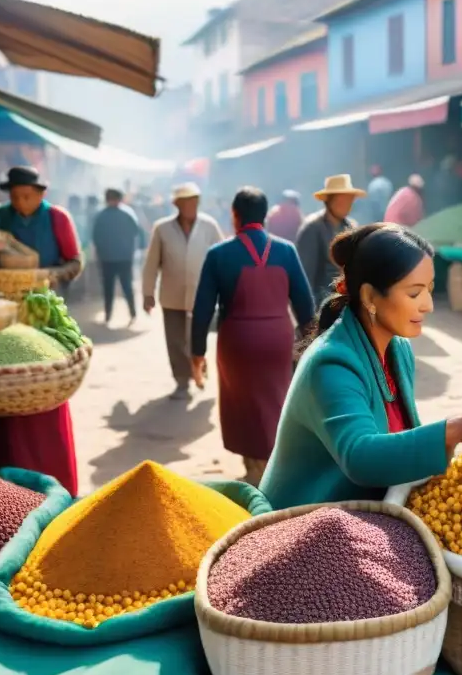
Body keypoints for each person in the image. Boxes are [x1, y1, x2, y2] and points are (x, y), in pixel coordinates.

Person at [259, 223, 462, 510]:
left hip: (365, 510)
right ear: (370, 297)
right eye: (414, 293)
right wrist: (456, 429)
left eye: (430, 290)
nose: (428, 305)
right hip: (304, 521)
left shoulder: (398, 348)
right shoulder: (331, 362)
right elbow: (360, 457)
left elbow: (398, 440)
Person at [191, 187, 316, 485]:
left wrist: (197, 354)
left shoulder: (219, 254)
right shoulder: (286, 251)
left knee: (243, 404)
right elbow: (305, 307)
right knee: (276, 400)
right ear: (265, 215)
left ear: (235, 216)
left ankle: (256, 469)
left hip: (238, 342)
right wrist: (308, 346)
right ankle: (277, 464)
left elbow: (202, 311)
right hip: (278, 339)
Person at [0, 166, 84, 495]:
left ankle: (50, 476)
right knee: (4, 388)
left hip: (44, 316)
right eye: (15, 196)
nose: (21, 203)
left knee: (42, 387)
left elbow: (75, 262)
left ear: (40, 194)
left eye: (27, 196)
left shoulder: (58, 219)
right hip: (2, 318)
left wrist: (50, 273)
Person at [142, 182, 223, 400]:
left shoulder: (209, 226)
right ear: (177, 204)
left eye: (194, 201)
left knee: (198, 339)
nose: (191, 205)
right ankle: (181, 380)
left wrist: (226, 291)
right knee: (176, 341)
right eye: (186, 201)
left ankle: (200, 371)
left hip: (202, 296)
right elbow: (151, 263)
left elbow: (221, 260)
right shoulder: (162, 228)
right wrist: (148, 293)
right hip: (172, 296)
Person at [297, 174, 361, 308]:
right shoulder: (312, 228)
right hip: (322, 304)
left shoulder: (352, 227)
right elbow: (305, 277)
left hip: (347, 303)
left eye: (350, 200)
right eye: (342, 199)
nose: (347, 204)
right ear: (330, 200)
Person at [91, 188, 144, 326]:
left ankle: (110, 315)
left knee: (109, 288)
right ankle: (131, 313)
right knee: (126, 286)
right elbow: (137, 232)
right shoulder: (128, 213)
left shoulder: (101, 215)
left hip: (108, 258)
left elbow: (96, 237)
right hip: (124, 257)